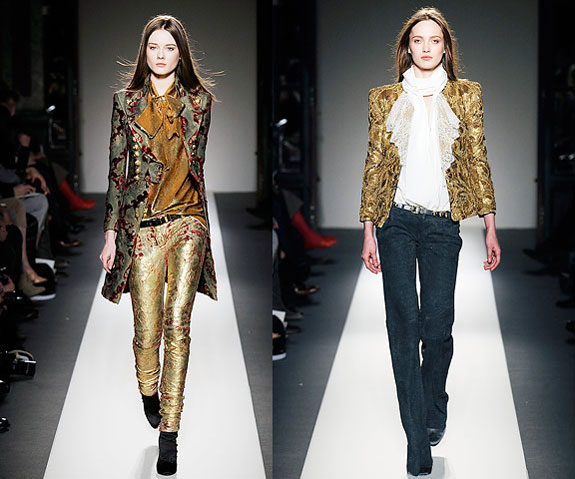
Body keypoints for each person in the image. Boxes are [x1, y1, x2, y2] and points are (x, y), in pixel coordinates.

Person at [359, 7, 501, 477]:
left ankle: (434, 403)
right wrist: (368, 230)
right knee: (403, 328)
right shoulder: (384, 99)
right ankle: (416, 442)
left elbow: (477, 159)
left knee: (437, 329)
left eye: (434, 40)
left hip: (442, 226)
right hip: (396, 223)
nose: (425, 47)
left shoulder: (465, 95)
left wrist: (490, 225)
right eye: (418, 40)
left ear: (445, 48)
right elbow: (375, 165)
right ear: (407, 47)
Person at [98, 14, 217, 476]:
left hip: (188, 220)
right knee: (146, 332)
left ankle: (170, 432)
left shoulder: (200, 103)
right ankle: (149, 389)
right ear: (144, 52)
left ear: (180, 54)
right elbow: (117, 172)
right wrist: (111, 234)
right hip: (143, 226)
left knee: (178, 324)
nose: (161, 54)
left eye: (170, 47)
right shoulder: (124, 103)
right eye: (154, 47)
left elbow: (192, 163)